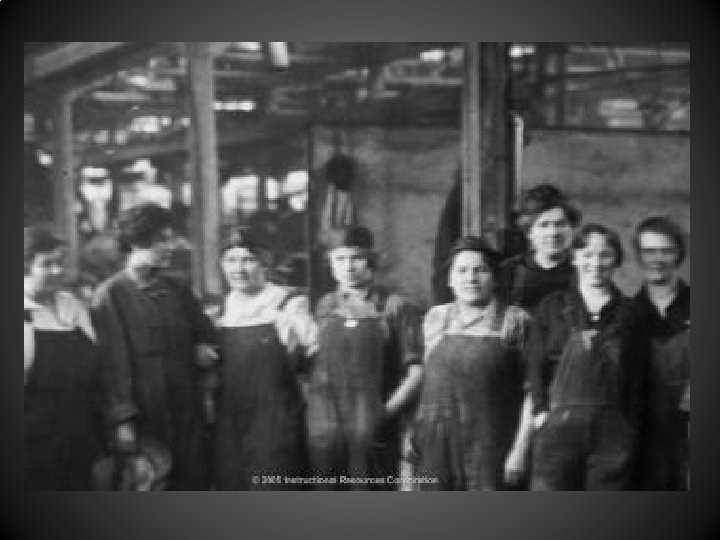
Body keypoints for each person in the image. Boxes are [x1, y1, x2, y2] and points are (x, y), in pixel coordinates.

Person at [90, 203, 219, 490]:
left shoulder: (176, 287)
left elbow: (206, 332)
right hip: (145, 414)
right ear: (137, 241)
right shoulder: (110, 295)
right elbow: (113, 366)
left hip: (187, 408)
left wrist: (203, 346)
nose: (171, 246)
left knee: (194, 480)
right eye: (163, 239)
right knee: (151, 486)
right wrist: (123, 420)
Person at [528, 224, 650, 490]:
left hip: (612, 433)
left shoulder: (630, 313)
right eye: (587, 254)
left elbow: (638, 378)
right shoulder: (552, 307)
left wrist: (629, 426)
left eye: (605, 255)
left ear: (616, 260)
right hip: (557, 430)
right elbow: (535, 366)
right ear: (574, 257)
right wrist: (540, 412)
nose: (595, 263)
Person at [306, 226, 424, 489]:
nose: (348, 266)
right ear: (330, 263)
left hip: (373, 425)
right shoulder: (326, 305)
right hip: (327, 425)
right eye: (340, 258)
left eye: (356, 258)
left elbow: (416, 374)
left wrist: (383, 413)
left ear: (371, 260)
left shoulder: (395, 306)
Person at [411, 237, 531, 490]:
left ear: (495, 278)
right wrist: (414, 434)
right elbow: (425, 385)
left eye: (481, 270)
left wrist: (520, 449)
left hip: (493, 446)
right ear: (450, 279)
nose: (471, 278)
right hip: (437, 445)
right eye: (462, 270)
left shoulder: (516, 320)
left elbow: (532, 393)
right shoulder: (435, 318)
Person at [214, 228, 318, 490]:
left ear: (265, 263)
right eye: (231, 260)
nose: (238, 269)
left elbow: (317, 355)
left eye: (248, 260)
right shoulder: (221, 311)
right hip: (230, 423)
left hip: (276, 420)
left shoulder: (288, 304)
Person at [497, 183, 582, 487]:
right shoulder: (508, 272)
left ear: (571, 229)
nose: (553, 232)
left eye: (561, 224)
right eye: (543, 225)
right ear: (529, 232)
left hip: (559, 380)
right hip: (509, 376)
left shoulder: (582, 272)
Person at [24, 226, 103, 489]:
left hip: (80, 436)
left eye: (60, 262)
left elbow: (97, 362)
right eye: (47, 264)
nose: (57, 271)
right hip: (34, 445)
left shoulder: (71, 305)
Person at [632, 216, 690, 490]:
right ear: (638, 255)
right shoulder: (627, 312)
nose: (657, 259)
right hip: (642, 426)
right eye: (649, 251)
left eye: (666, 251)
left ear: (679, 254)